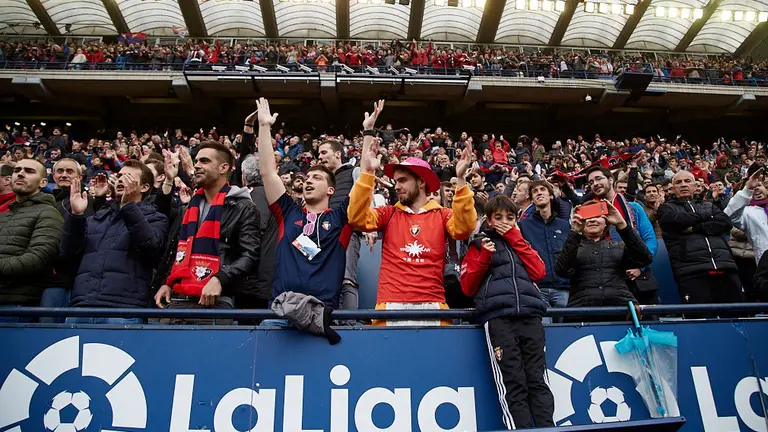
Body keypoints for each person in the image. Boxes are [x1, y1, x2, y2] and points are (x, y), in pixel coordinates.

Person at [347, 100, 477, 326]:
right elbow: (356, 218)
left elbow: (464, 228)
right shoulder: (388, 214)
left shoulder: (442, 215)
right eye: (395, 181)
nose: (396, 186)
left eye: (403, 180)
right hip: (390, 306)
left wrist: (462, 181)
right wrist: (367, 172)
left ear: (422, 182)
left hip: (433, 307)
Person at [251, 98, 351, 323]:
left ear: (331, 190)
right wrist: (265, 127)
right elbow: (268, 172)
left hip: (322, 316)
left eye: (316, 177)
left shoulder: (340, 217)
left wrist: (368, 136)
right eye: (306, 178)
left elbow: (363, 184)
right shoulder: (288, 212)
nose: (308, 181)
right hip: (281, 313)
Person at [459, 195, 554, 429]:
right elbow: (467, 286)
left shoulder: (521, 242)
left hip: (531, 315)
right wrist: (484, 257)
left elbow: (539, 272)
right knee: (513, 382)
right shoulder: (479, 245)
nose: (505, 222)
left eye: (510, 218)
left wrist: (515, 237)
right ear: (489, 221)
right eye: (498, 217)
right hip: (499, 318)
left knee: (538, 380)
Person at [155, 141, 261, 325]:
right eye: (196, 161)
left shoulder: (243, 207)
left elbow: (250, 255)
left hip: (216, 302)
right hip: (177, 301)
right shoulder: (189, 208)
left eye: (204, 161)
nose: (196, 166)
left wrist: (221, 278)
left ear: (223, 168)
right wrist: (167, 282)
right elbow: (178, 250)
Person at [62, 160, 169, 324]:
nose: (121, 180)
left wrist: (128, 206)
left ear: (145, 187)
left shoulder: (155, 218)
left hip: (123, 310)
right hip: (82, 306)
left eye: (128, 177)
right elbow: (68, 253)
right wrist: (76, 215)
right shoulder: (97, 217)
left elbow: (150, 248)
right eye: (119, 176)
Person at [555, 201, 653, 320]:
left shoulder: (620, 246)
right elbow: (562, 270)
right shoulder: (571, 247)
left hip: (621, 311)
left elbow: (645, 259)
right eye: (587, 217)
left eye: (597, 216)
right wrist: (575, 232)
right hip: (581, 314)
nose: (592, 220)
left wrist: (622, 225)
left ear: (606, 223)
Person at [658, 171, 742, 306]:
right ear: (672, 189)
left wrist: (695, 227)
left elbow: (725, 223)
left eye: (687, 181)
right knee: (700, 318)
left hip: (725, 267)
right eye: (678, 182)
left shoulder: (708, 205)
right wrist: (707, 216)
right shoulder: (666, 209)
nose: (684, 185)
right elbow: (679, 220)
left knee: (738, 318)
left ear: (695, 186)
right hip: (692, 271)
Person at [0, 159, 63, 322]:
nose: (20, 173)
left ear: (43, 182)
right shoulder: (3, 215)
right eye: (17, 170)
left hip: (15, 307)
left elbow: (38, 258)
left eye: (29, 171)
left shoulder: (48, 213)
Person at [518, 180, 571, 323]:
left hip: (563, 288)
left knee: (564, 332)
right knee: (545, 331)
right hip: (537, 288)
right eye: (535, 191)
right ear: (531, 198)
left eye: (542, 189)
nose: (539, 193)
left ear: (551, 196)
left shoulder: (565, 225)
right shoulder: (523, 226)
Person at [725, 166, 768, 264]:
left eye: (759, 186)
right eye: (752, 189)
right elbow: (729, 216)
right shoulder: (746, 212)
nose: (756, 190)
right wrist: (748, 188)